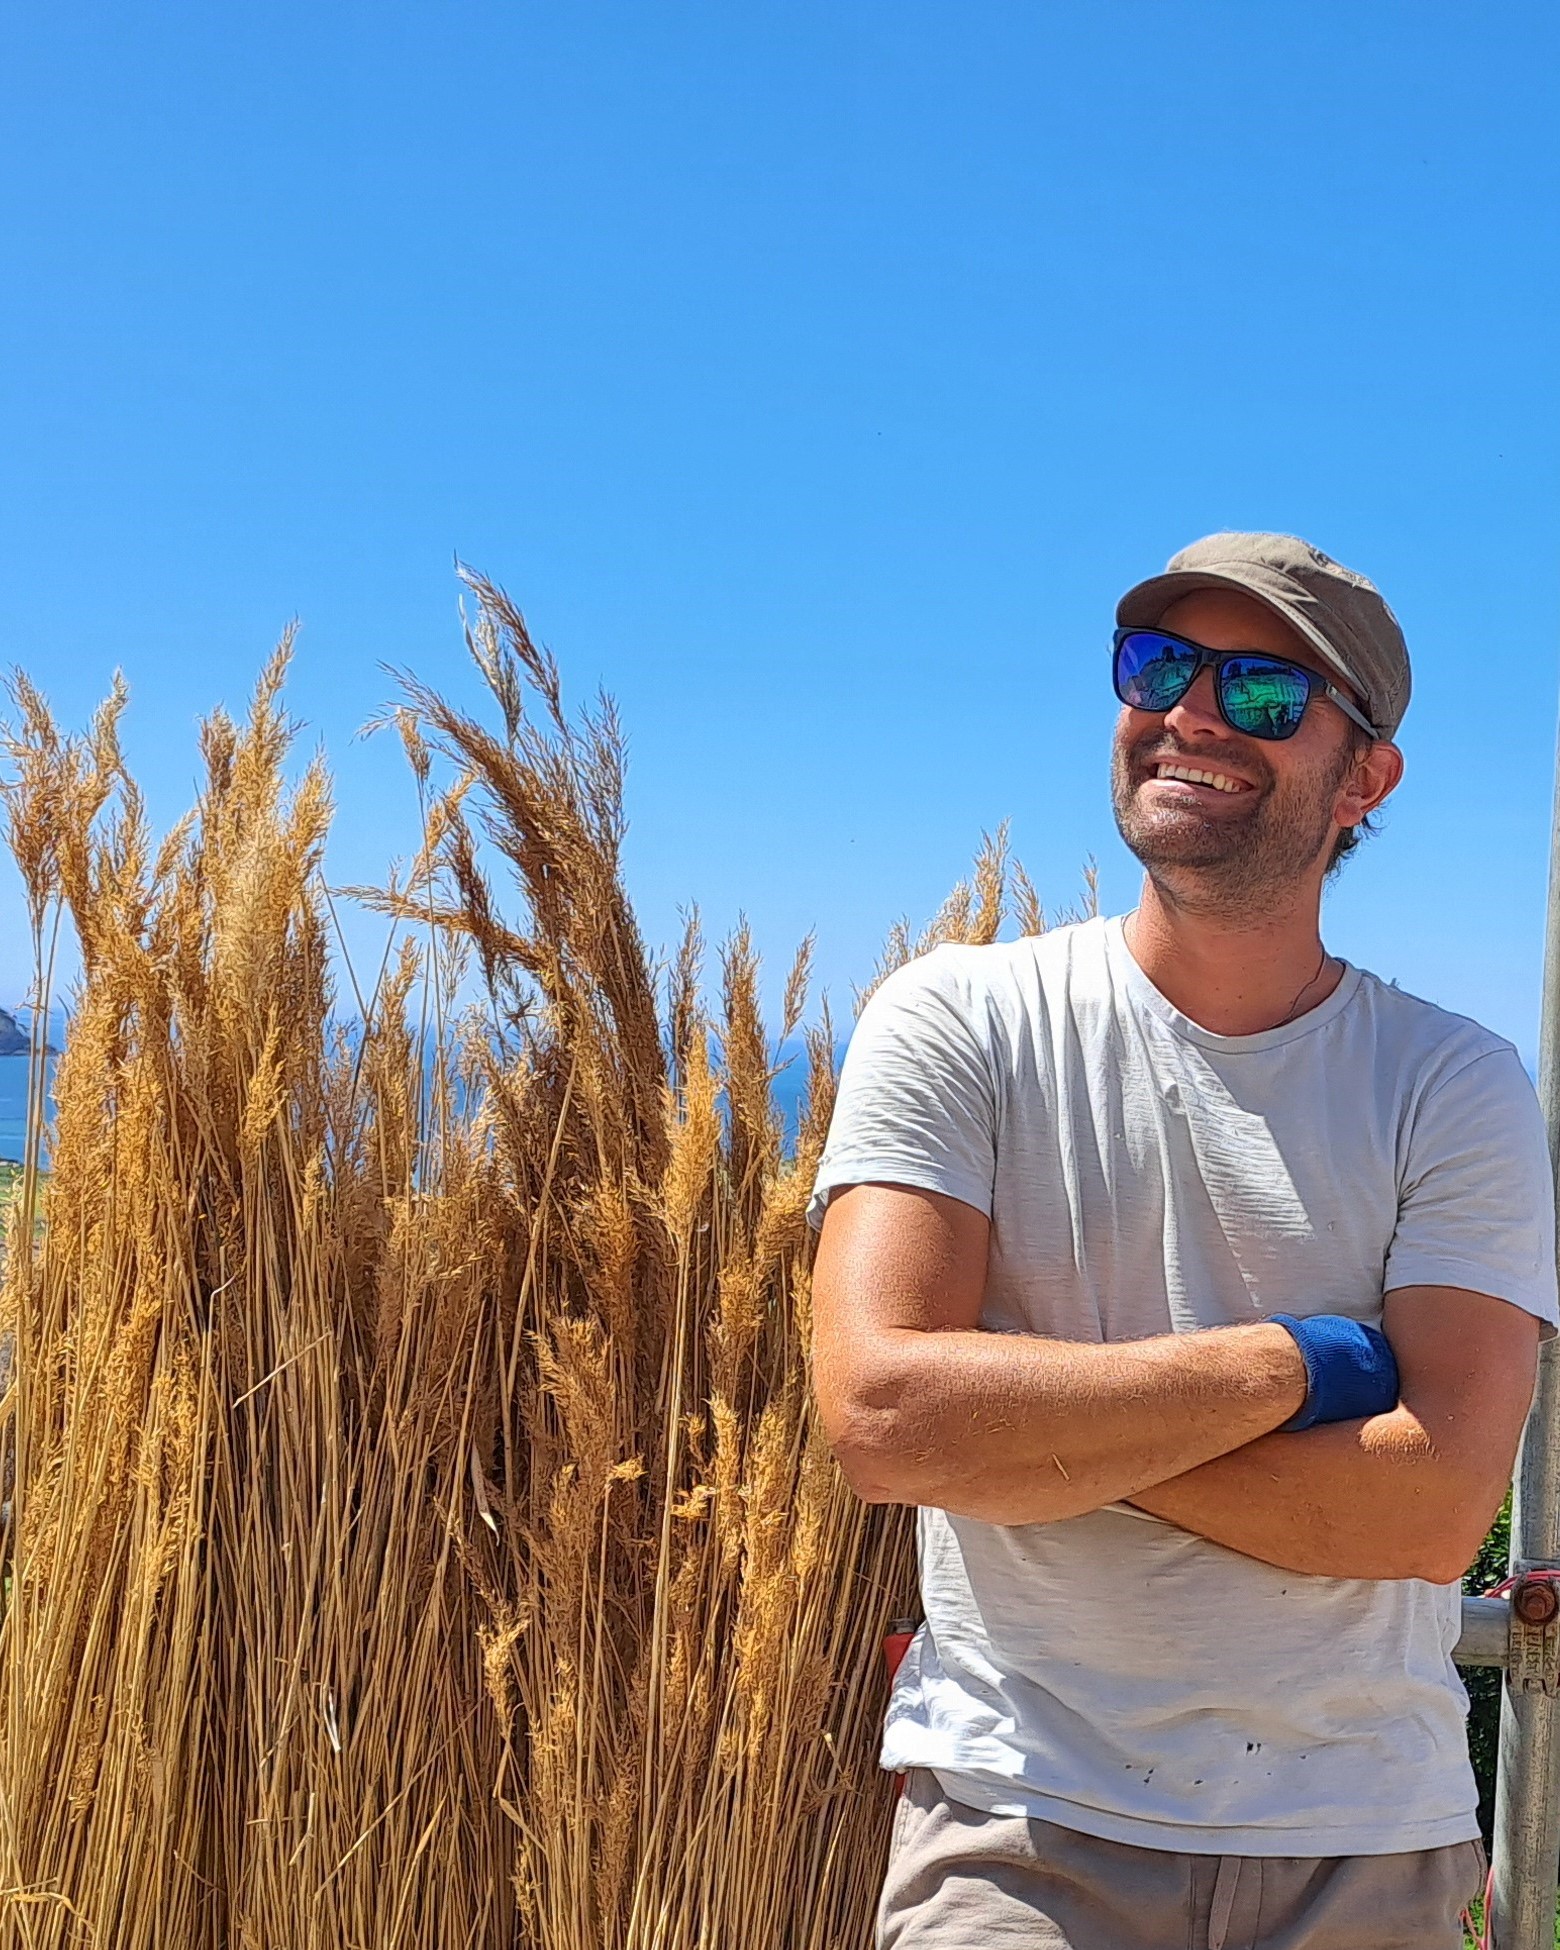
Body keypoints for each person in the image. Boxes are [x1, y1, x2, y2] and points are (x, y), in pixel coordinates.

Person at [809, 531, 1558, 1950]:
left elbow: (1431, 1510)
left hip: (1364, 1848)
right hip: (1017, 1829)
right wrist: (1294, 1365)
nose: (1194, 713)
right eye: (1159, 666)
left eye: (1265, 691)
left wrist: (1038, 1421)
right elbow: (888, 1418)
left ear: (1366, 777)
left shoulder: (1451, 1080)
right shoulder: (958, 1017)